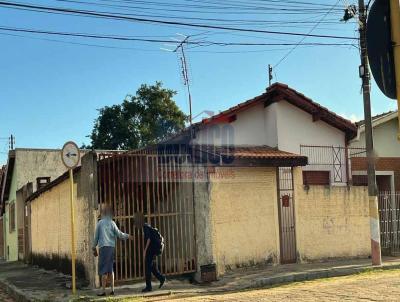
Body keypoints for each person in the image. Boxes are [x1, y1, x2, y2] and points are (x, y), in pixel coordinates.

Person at [93, 203, 133, 296]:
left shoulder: (100, 223)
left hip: (103, 248)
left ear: (103, 214)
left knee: (103, 270)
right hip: (111, 248)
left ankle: (103, 291)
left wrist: (93, 247)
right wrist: (128, 236)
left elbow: (96, 237)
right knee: (110, 269)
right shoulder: (112, 223)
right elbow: (119, 234)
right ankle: (112, 290)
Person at [134, 212, 166, 292]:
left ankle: (149, 287)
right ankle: (161, 278)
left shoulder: (145, 227)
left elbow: (148, 239)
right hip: (152, 250)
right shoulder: (147, 226)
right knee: (152, 267)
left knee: (148, 268)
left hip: (150, 251)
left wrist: (144, 251)